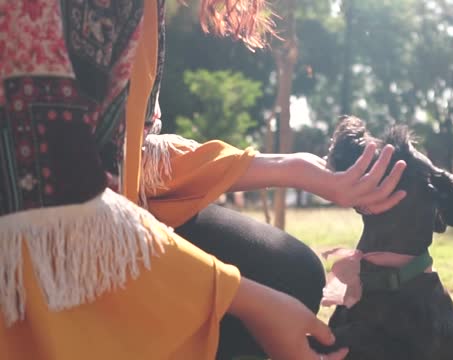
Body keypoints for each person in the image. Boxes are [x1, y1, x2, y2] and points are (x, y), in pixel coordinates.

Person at [0, 1, 407, 359]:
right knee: (271, 289)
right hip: (26, 245)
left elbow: (133, 157)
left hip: (76, 215)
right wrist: (247, 301)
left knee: (289, 271)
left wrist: (292, 168)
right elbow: (49, 195)